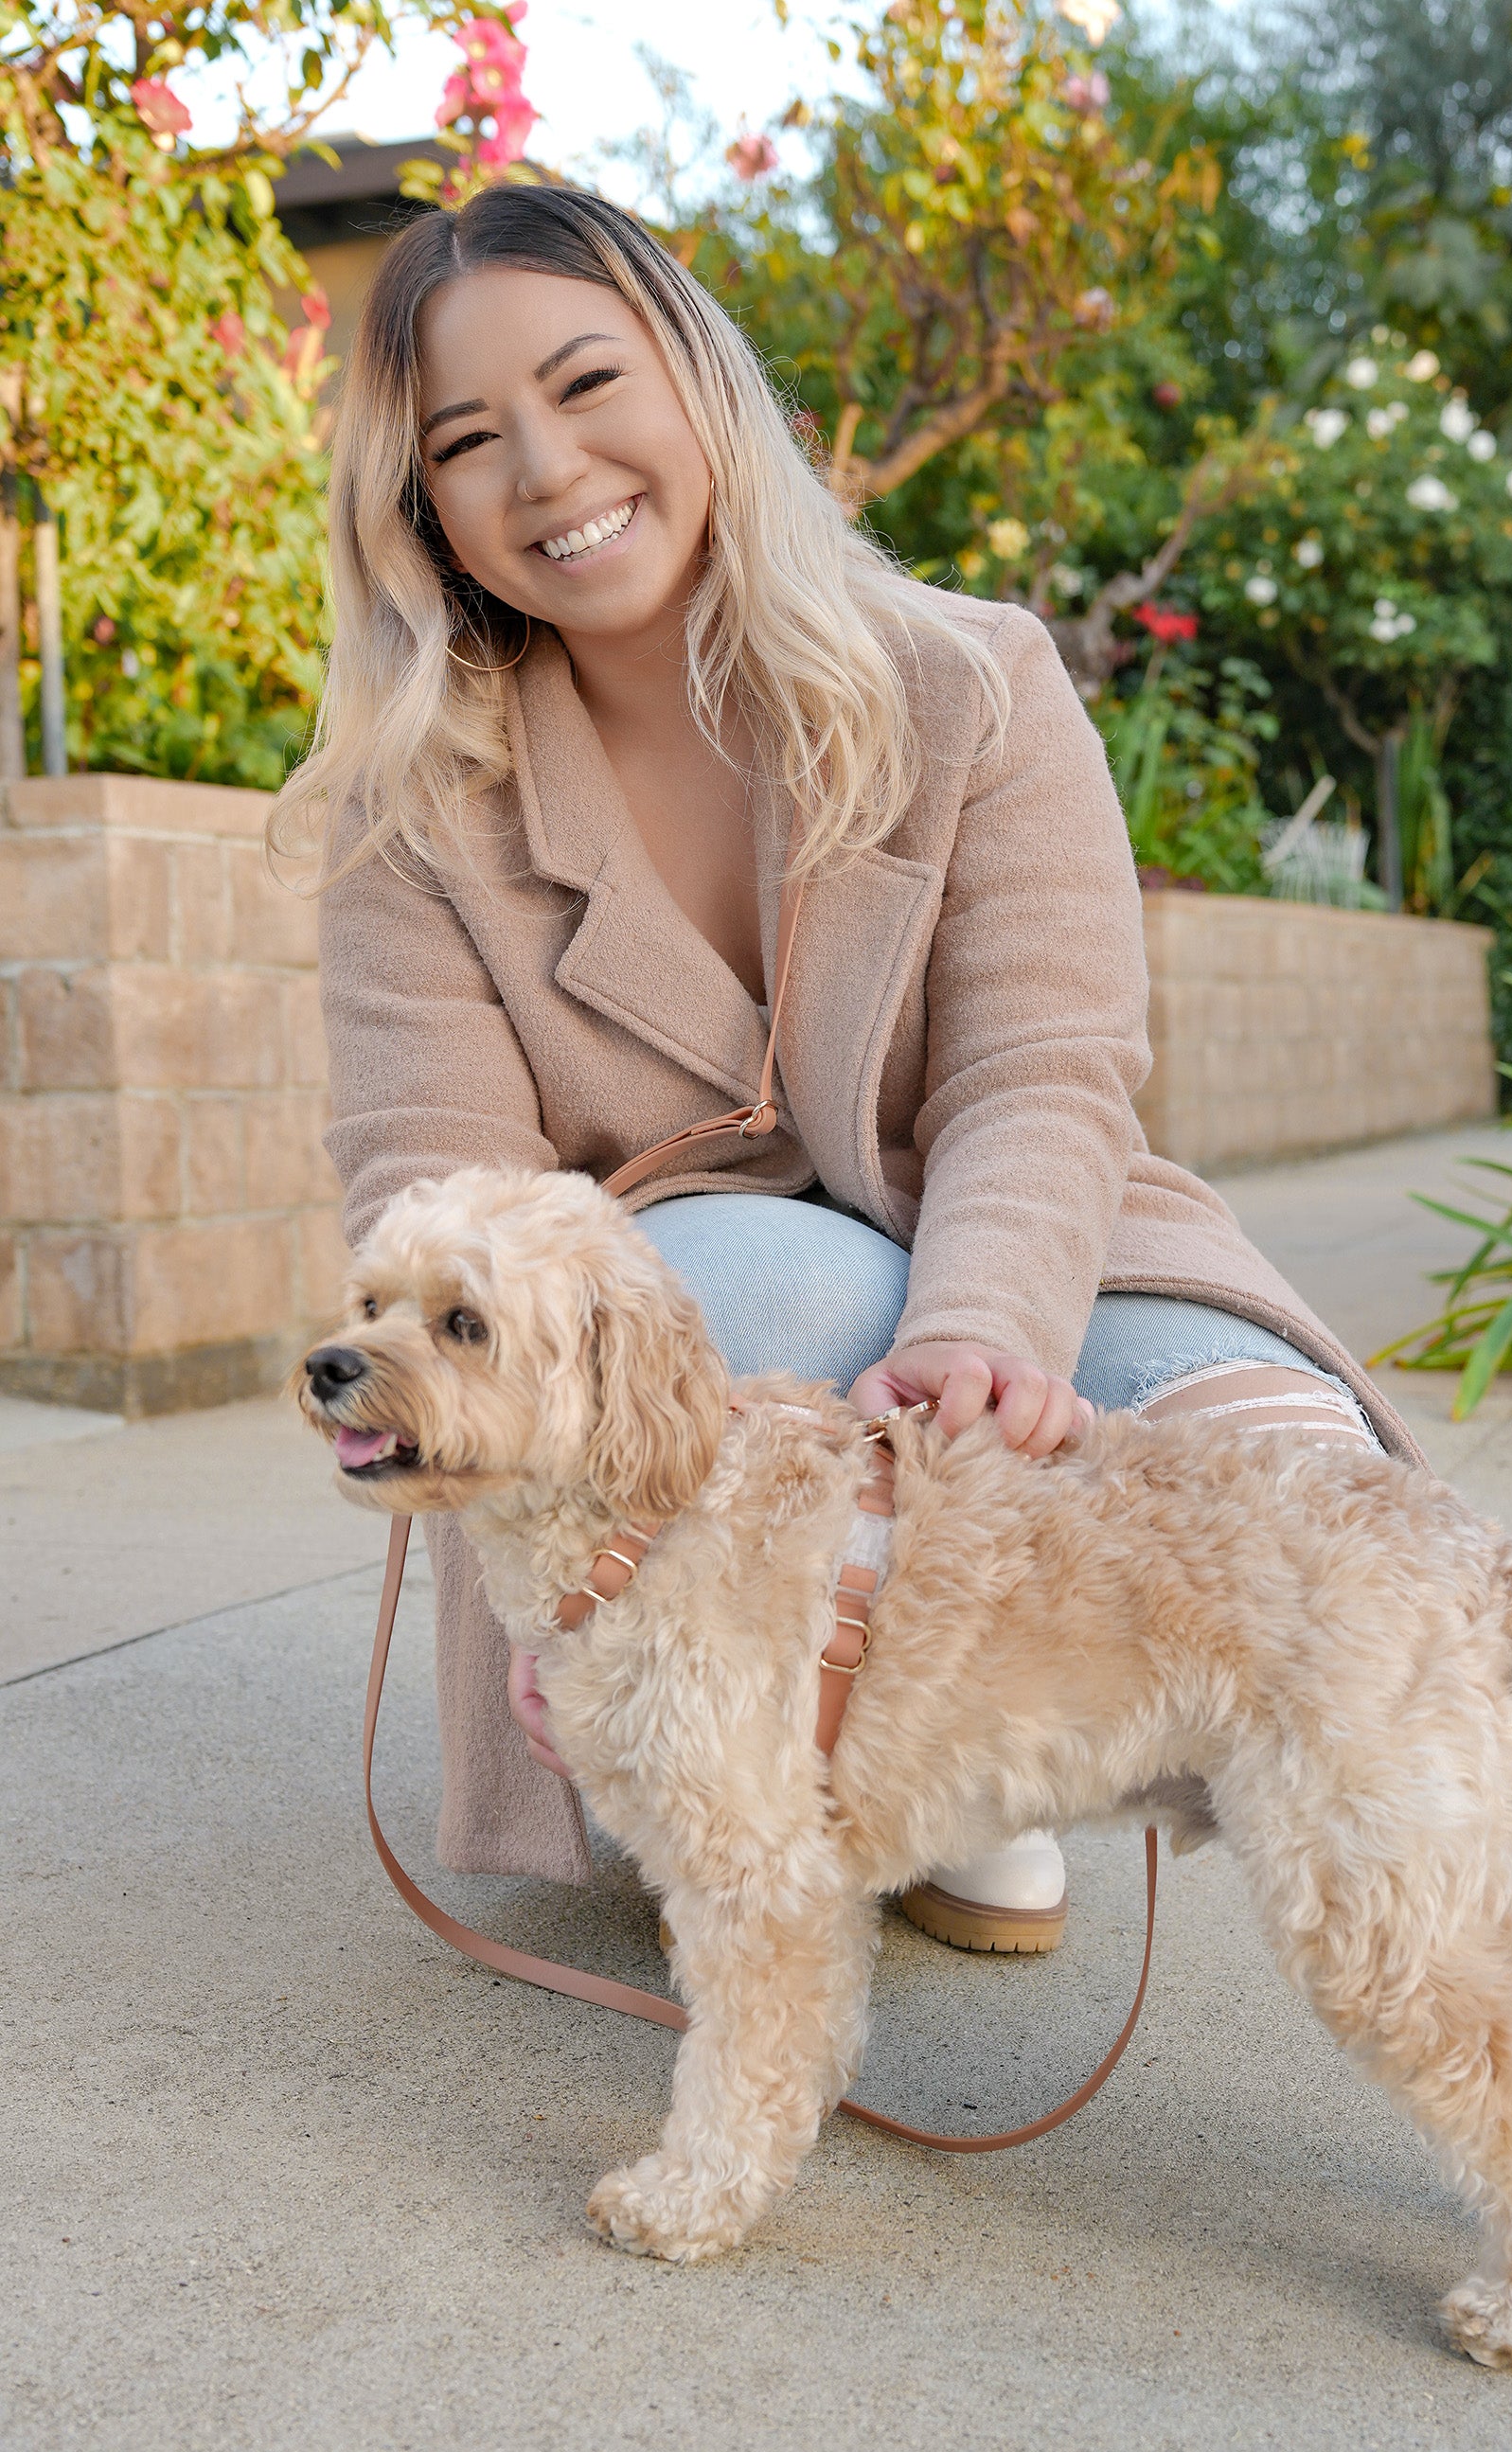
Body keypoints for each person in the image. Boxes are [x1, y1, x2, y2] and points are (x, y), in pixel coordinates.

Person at [274, 183, 1417, 1956]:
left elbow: (1044, 1067)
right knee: (759, 1273)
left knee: (1314, 1502)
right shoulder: (412, 809)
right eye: (468, 442)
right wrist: (539, 1548)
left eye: (589, 385)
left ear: (701, 381)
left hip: (1042, 1241)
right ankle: (792, 1775)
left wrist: (988, 1326)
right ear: (418, 507)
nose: (550, 472)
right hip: (694, 1325)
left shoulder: (974, 681)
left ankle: (998, 1765)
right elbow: (443, 1186)